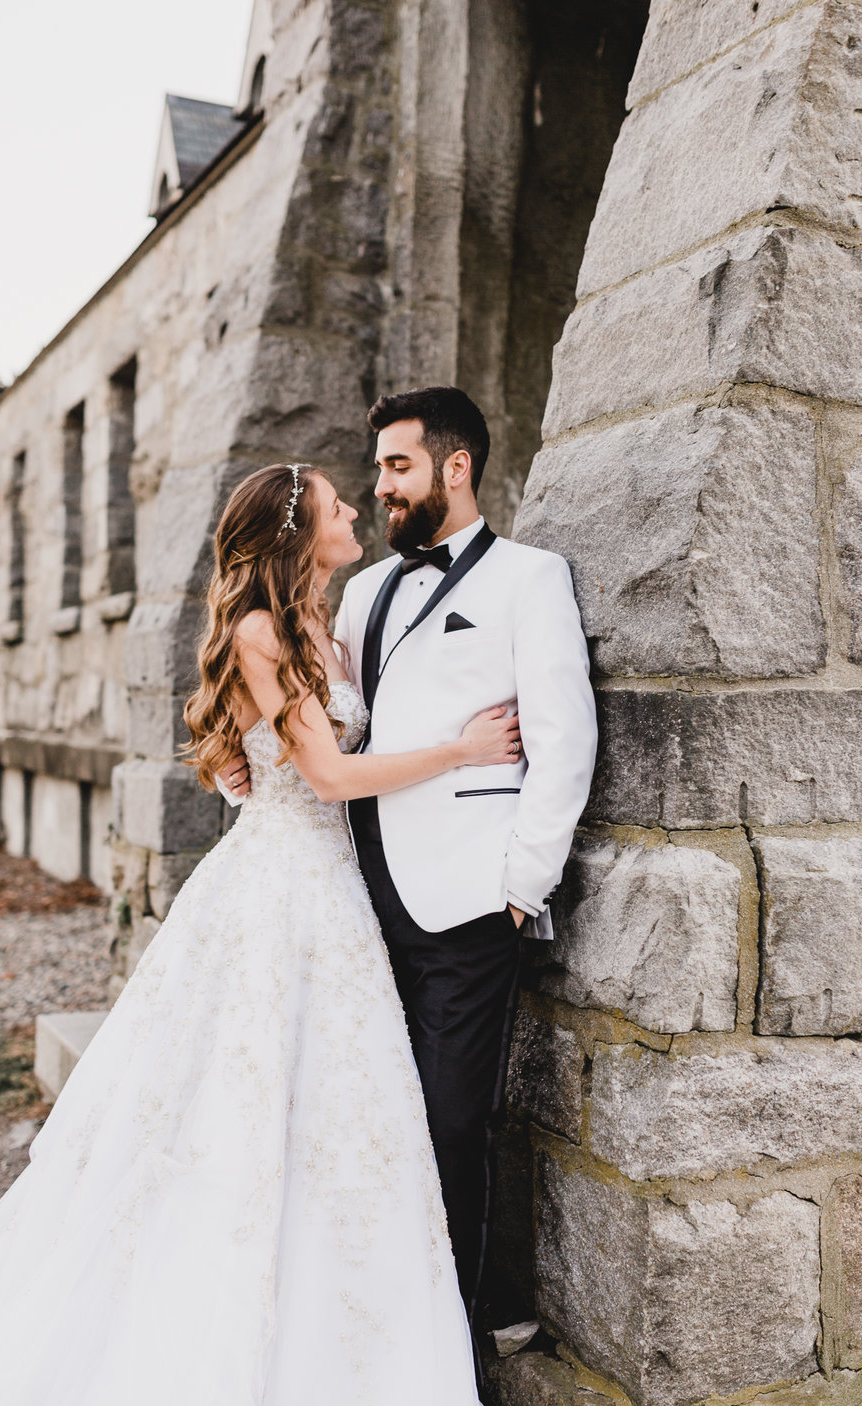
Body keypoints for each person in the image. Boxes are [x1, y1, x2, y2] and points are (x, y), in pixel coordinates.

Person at [0, 463, 527, 1406]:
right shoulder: (258, 633)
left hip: (332, 898)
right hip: (279, 898)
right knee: (228, 1122)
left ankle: (339, 1357)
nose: (352, 512)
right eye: (334, 504)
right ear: (296, 530)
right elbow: (325, 776)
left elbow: (274, 759)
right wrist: (457, 750)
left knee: (334, 1125)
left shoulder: (328, 624)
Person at [219, 387, 597, 1329]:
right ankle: (365, 1323)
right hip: (354, 896)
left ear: (454, 466)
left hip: (472, 900)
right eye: (377, 469)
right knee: (366, 1118)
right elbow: (317, 733)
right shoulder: (358, 593)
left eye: (397, 466)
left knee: (453, 1121)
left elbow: (565, 741)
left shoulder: (529, 578)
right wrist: (241, 757)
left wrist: (520, 889)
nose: (379, 487)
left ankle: (451, 1332)